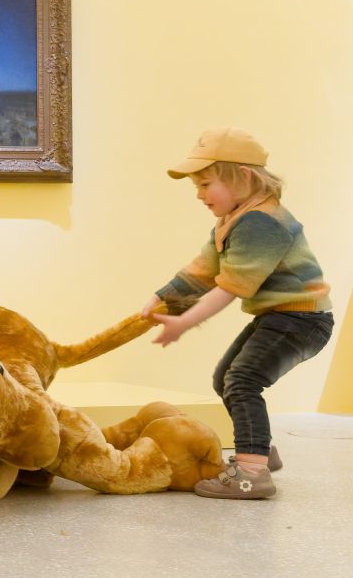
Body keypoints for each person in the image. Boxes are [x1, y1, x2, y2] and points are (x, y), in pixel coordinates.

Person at [141, 128, 333, 499]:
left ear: (243, 176)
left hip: (302, 320)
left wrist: (183, 322)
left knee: (242, 380)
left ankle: (251, 474)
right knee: (225, 378)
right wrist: (163, 296)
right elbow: (203, 268)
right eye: (196, 186)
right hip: (279, 317)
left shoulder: (262, 222)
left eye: (206, 184)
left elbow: (230, 287)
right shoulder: (233, 218)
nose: (198, 195)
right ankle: (259, 452)